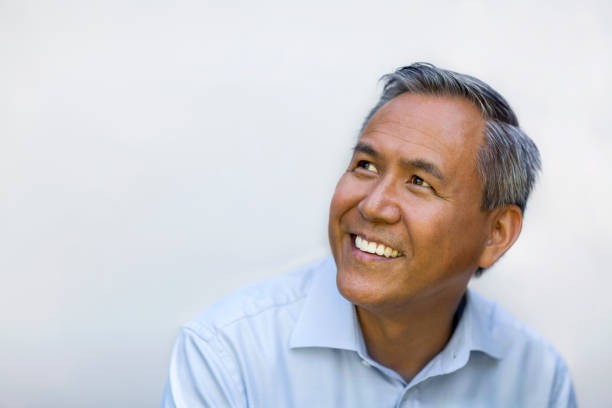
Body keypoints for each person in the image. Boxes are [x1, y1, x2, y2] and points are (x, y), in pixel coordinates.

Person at [161, 63, 577, 407]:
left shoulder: (536, 380)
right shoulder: (228, 355)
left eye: (419, 181)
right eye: (366, 166)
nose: (373, 205)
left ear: (496, 233)